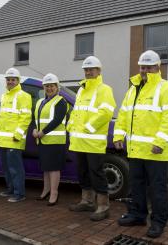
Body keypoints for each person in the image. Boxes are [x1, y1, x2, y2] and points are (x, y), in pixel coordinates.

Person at [114, 50, 168, 238]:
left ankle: (159, 222)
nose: (145, 70)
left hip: (156, 151)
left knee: (157, 188)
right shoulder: (133, 90)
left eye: (149, 67)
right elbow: (123, 115)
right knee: (137, 185)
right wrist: (118, 136)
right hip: (136, 150)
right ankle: (137, 215)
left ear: (158, 67)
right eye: (142, 67)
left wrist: (160, 142)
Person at [67, 56, 116, 221]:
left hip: (93, 142)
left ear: (99, 71)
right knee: (83, 172)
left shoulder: (104, 89)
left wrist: (88, 128)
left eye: (91, 69)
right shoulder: (81, 89)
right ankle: (87, 201)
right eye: (86, 70)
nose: (88, 72)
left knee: (97, 173)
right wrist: (70, 126)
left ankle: (103, 206)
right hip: (79, 141)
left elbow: (106, 112)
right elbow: (76, 111)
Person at [0, 68, 32, 203]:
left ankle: (19, 193)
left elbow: (26, 117)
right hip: (3, 139)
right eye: (8, 79)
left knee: (15, 168)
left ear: (18, 81)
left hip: (14, 139)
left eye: (13, 79)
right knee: (6, 167)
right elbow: (1, 117)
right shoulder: (4, 96)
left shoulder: (24, 96)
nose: (10, 82)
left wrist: (18, 135)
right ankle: (10, 189)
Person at [32, 73, 68, 206]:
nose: (49, 88)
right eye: (46, 86)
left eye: (52, 86)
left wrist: (42, 132)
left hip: (55, 141)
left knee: (53, 168)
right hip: (42, 140)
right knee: (45, 168)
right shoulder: (40, 102)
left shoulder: (61, 101)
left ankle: (54, 193)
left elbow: (57, 120)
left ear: (57, 87)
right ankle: (46, 190)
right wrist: (35, 129)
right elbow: (36, 119)